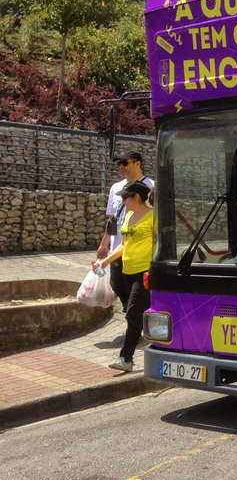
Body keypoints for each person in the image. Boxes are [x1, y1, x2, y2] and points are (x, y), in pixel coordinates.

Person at [93, 180, 154, 372]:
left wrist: (155, 268)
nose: (122, 202)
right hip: (127, 271)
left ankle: (126, 358)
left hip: (144, 272)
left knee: (133, 314)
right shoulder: (128, 216)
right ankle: (158, 340)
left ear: (135, 197)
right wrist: (105, 262)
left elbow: (161, 243)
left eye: (125, 198)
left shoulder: (153, 217)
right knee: (137, 314)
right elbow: (123, 245)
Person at [96, 151, 153, 311]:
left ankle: (134, 320)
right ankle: (134, 316)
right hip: (118, 248)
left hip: (140, 253)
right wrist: (104, 244)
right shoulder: (116, 188)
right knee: (117, 284)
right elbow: (112, 218)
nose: (121, 167)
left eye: (125, 163)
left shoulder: (152, 187)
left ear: (138, 164)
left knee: (138, 291)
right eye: (118, 164)